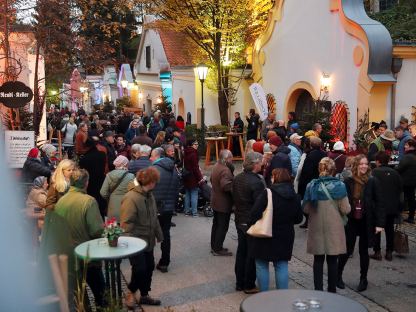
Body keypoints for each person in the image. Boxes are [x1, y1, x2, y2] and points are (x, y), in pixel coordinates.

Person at [54, 169, 105, 308]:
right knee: (101, 293)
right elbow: (97, 230)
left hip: (67, 255)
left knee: (78, 296)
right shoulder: (89, 201)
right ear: (86, 183)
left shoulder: (61, 201)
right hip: (86, 254)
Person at [249, 168, 303, 291]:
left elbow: (254, 213)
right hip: (285, 235)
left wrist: (252, 224)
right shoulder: (295, 196)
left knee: (262, 264)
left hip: (265, 234)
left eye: (272, 176)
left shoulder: (267, 193)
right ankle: (282, 295)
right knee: (281, 265)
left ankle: (264, 295)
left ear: (275, 178)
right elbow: (299, 219)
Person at [303, 158, 351, 293]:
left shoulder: (311, 186)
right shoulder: (340, 186)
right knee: (332, 260)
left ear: (319, 168)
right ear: (333, 169)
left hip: (316, 227)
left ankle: (318, 290)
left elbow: (306, 209)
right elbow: (345, 209)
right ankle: (331, 290)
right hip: (334, 227)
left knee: (318, 260)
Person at [338, 155, 384, 292]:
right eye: (361, 164)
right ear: (356, 166)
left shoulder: (373, 181)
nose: (364, 166)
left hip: (367, 221)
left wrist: (379, 223)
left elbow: (380, 203)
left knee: (364, 251)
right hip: (351, 220)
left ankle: (363, 279)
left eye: (366, 164)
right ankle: (337, 275)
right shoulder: (348, 181)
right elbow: (342, 201)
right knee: (346, 250)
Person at [121, 167, 163, 309]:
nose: (156, 184)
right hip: (135, 241)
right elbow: (126, 223)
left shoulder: (149, 195)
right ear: (150, 182)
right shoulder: (131, 198)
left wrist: (159, 234)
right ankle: (130, 294)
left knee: (149, 267)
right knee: (140, 269)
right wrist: (128, 243)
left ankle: (144, 295)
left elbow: (154, 217)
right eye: (155, 181)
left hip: (148, 240)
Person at [232, 152, 266, 294]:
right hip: (250, 221)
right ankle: (248, 284)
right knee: (250, 254)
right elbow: (260, 205)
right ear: (255, 164)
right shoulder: (256, 182)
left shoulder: (238, 178)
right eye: (260, 163)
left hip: (240, 219)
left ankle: (240, 282)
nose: (262, 165)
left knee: (241, 251)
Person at [150, 148, 180, 273]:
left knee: (150, 234)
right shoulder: (174, 169)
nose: (150, 158)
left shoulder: (154, 170)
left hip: (154, 207)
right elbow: (178, 186)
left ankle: (149, 262)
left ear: (157, 156)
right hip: (168, 208)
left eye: (152, 156)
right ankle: (164, 262)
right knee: (165, 234)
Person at [371, 151, 402, 261]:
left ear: (378, 161)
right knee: (389, 229)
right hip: (392, 206)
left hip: (378, 206)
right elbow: (400, 189)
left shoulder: (374, 172)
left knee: (377, 228)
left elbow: (370, 189)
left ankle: (377, 251)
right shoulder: (395, 173)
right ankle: (389, 251)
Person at [298, 136, 327, 228]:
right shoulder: (324, 154)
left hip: (310, 181)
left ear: (310, 144)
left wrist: (301, 184)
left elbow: (306, 171)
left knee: (308, 202)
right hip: (321, 180)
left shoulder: (310, 155)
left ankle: (308, 221)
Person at [210, 149, 234, 256]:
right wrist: (235, 187)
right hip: (223, 203)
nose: (232, 160)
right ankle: (218, 248)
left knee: (216, 224)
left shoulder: (216, 166)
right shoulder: (225, 170)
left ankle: (214, 246)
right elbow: (226, 185)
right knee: (222, 226)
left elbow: (211, 179)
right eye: (231, 158)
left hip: (215, 200)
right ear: (226, 159)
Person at [100, 156, 135, 222]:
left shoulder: (109, 175)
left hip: (112, 208)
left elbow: (103, 192)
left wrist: (110, 198)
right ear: (125, 164)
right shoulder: (132, 176)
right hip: (127, 206)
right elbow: (137, 189)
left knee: (113, 230)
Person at [79, 138, 107, 218]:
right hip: (100, 182)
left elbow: (83, 173)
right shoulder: (102, 155)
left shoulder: (84, 159)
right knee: (100, 207)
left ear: (87, 147)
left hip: (90, 184)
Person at [396, 139, 416, 223]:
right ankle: (411, 216)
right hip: (412, 181)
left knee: (402, 198)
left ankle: (399, 216)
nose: (405, 146)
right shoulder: (414, 155)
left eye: (406, 145)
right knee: (411, 198)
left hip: (406, 181)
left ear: (411, 146)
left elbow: (399, 168)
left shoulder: (408, 156)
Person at [183, 138, 203, 217]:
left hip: (187, 175)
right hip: (193, 176)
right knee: (194, 193)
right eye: (195, 144)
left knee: (188, 194)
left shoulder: (186, 152)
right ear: (191, 145)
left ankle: (187, 211)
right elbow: (195, 168)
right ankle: (194, 212)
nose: (197, 146)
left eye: (197, 144)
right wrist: (200, 178)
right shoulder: (194, 153)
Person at [26, 176, 48, 250]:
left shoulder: (35, 191)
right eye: (46, 183)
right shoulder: (40, 194)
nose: (47, 184)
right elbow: (48, 204)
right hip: (39, 219)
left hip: (37, 216)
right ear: (41, 184)